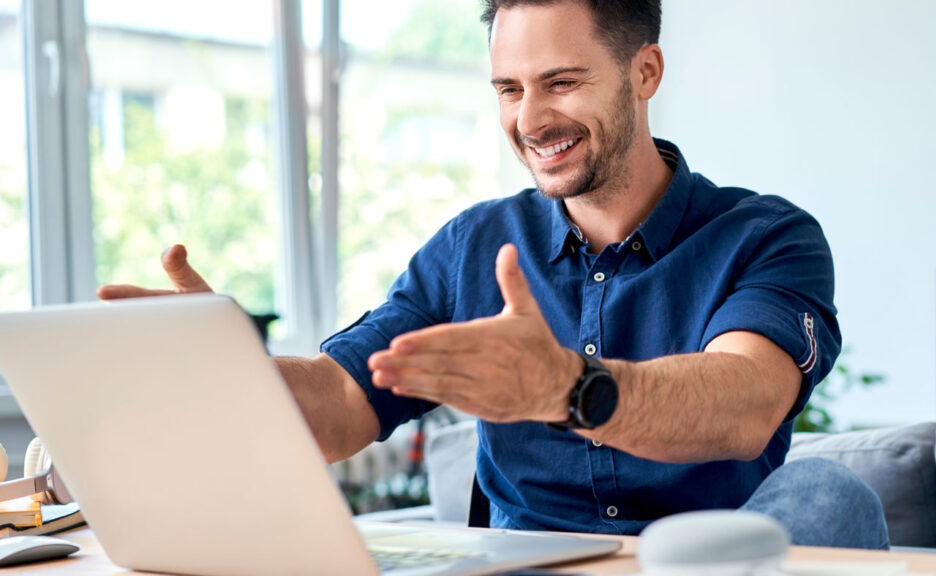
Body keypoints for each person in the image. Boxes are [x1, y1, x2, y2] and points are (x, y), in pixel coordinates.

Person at [99, 0, 888, 548]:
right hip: (527, 561)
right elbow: (343, 402)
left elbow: (742, 403)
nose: (529, 120)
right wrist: (227, 369)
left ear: (645, 72)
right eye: (509, 89)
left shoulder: (764, 235)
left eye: (562, 82)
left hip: (707, 561)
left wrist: (567, 389)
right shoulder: (472, 247)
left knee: (831, 497)